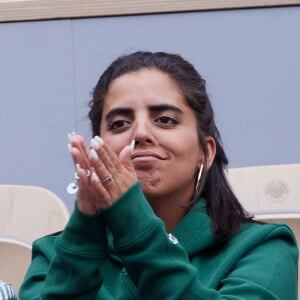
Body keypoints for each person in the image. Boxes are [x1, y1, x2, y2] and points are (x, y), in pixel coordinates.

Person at [19, 51, 298, 299]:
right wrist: (85, 232)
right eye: (119, 124)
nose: (140, 133)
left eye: (165, 120)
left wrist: (133, 223)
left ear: (206, 151)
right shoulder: (54, 255)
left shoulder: (263, 248)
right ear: (97, 146)